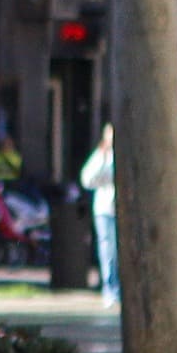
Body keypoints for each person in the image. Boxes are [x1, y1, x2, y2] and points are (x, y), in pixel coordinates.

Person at [80, 124, 118, 305]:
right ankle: (110, 288)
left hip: (120, 211)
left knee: (118, 251)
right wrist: (103, 157)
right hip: (105, 209)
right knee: (108, 249)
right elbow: (87, 179)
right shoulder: (102, 155)